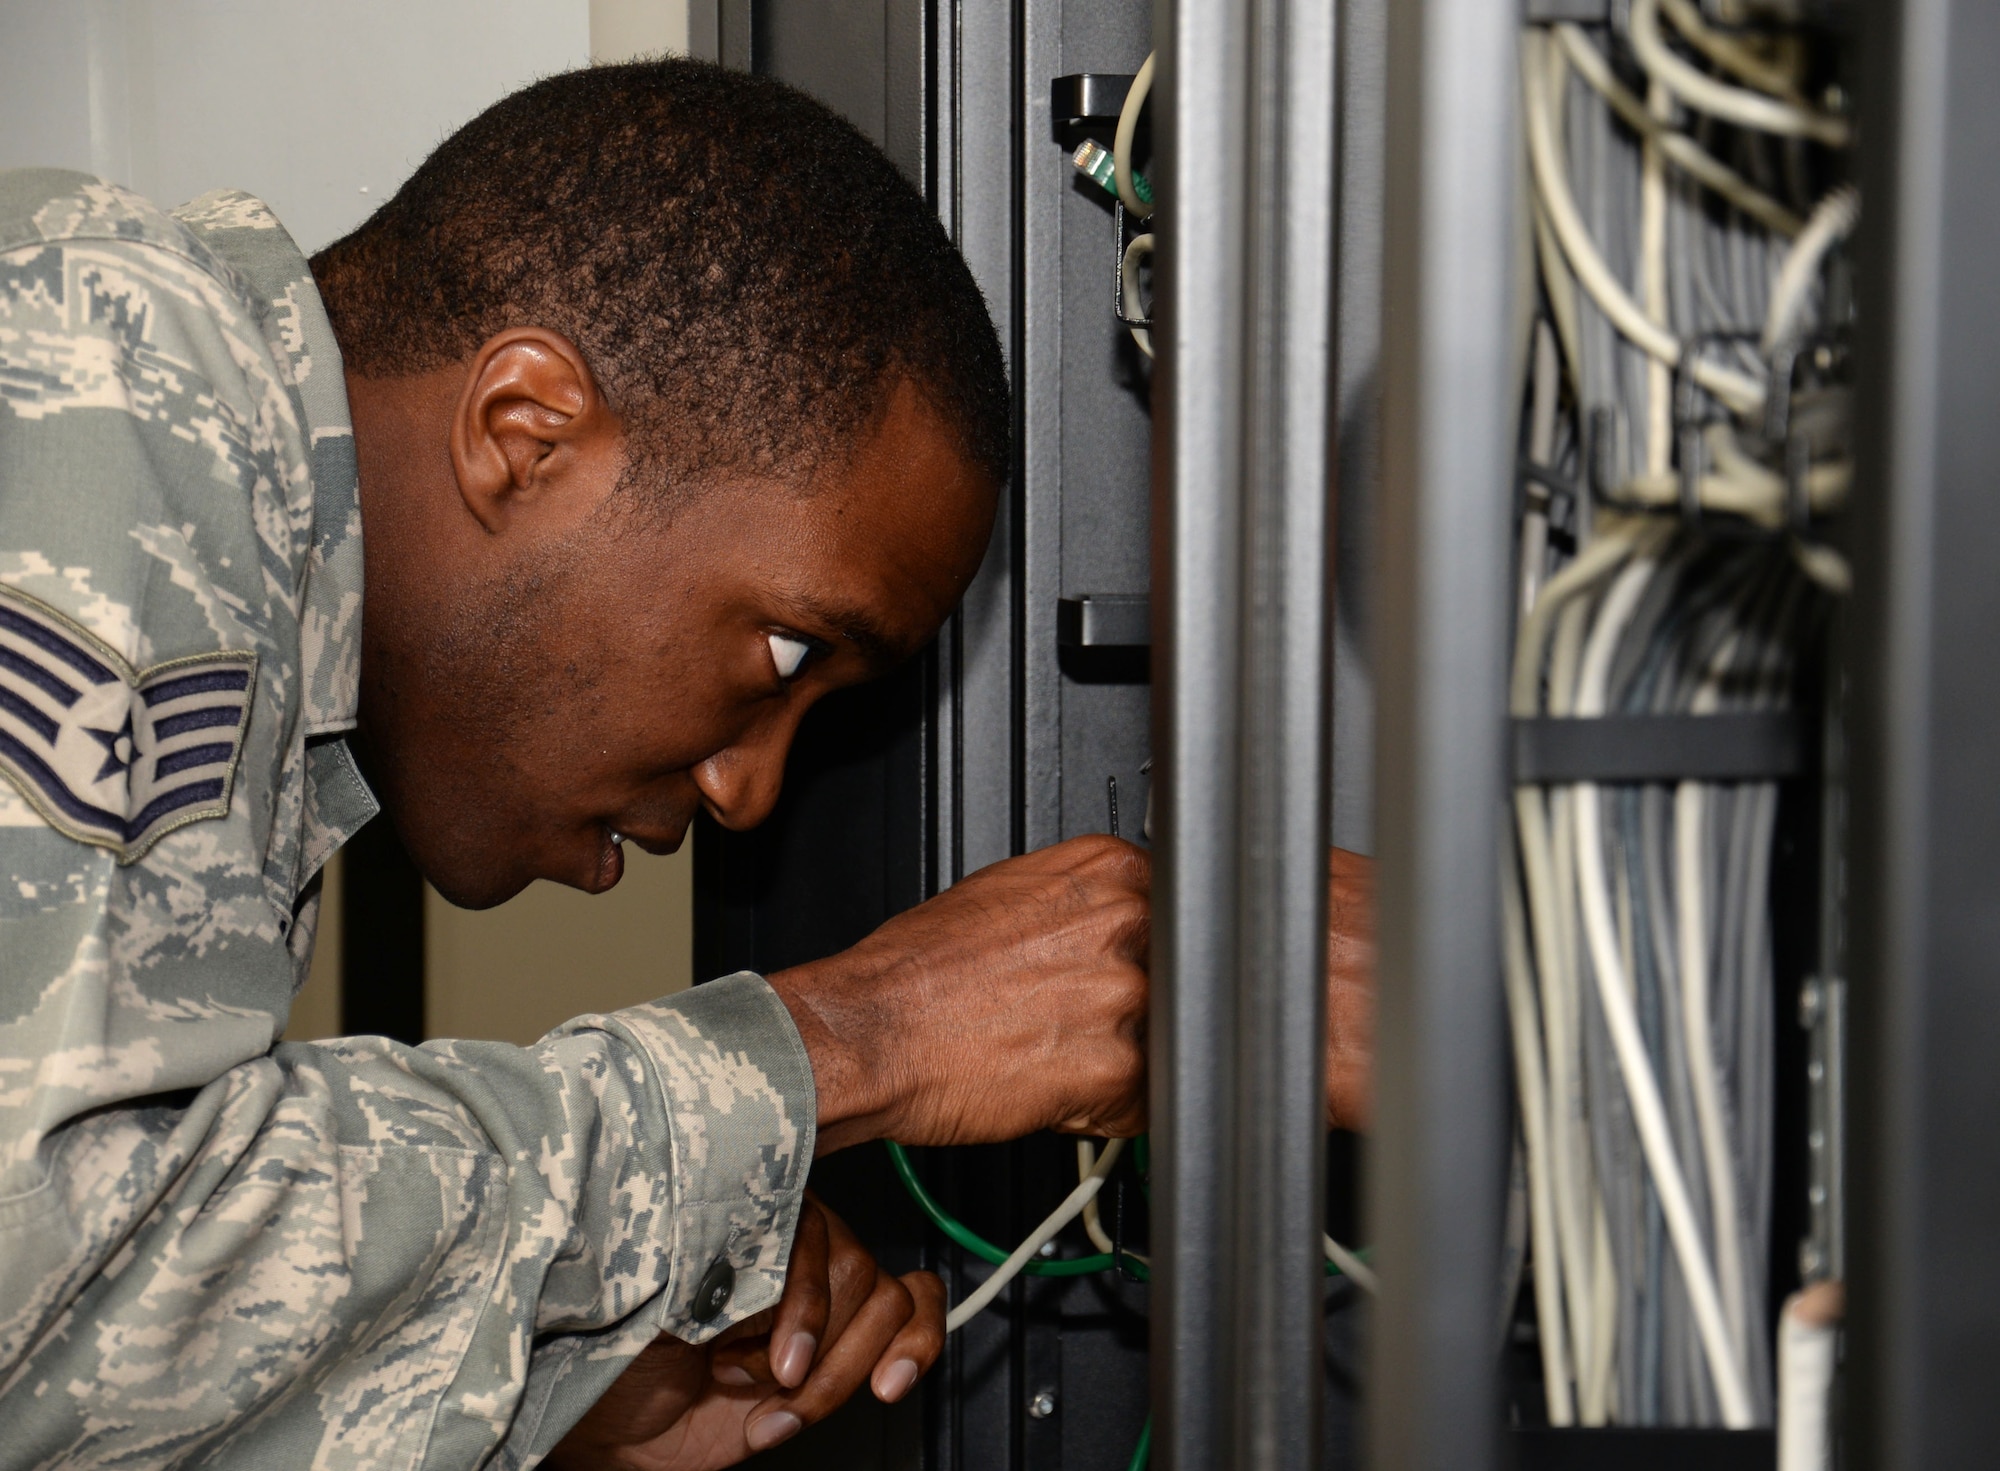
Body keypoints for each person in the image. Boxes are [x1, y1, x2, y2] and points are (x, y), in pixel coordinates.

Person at [0, 58, 1369, 1470]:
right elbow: (56, 1263)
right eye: (782, 657)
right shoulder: (109, 368)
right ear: (524, 434)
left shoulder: (246, 629)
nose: (748, 793)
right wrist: (847, 1043)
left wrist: (528, 1390)